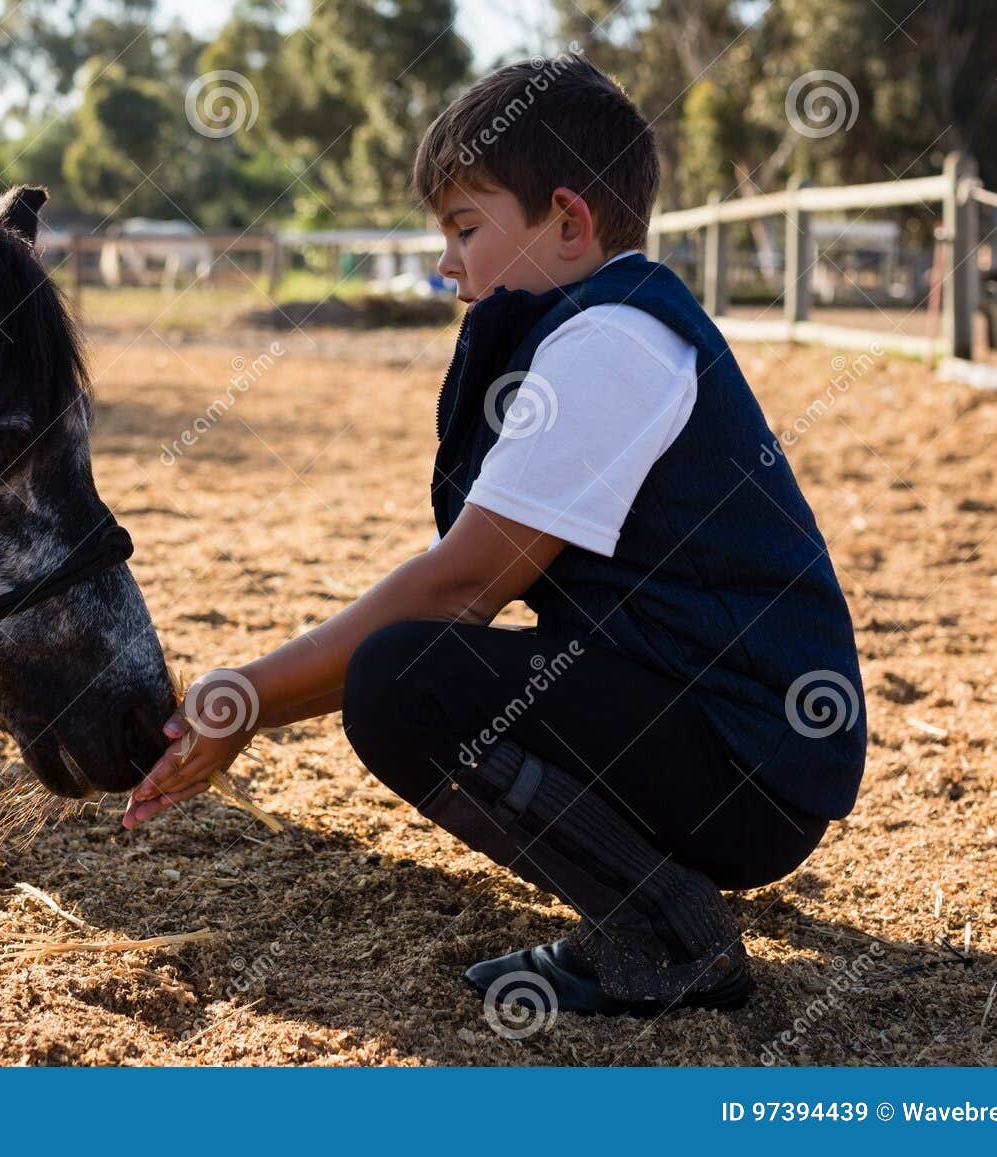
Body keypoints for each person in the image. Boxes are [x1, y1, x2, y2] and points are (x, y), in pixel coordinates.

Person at [121, 55, 867, 1017]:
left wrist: (247, 698)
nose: (447, 263)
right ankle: (660, 891)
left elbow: (459, 589)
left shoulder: (607, 345)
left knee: (406, 681)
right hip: (745, 749)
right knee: (424, 667)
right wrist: (249, 710)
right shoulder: (613, 324)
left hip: (749, 765)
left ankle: (668, 929)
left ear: (568, 221)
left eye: (465, 229)